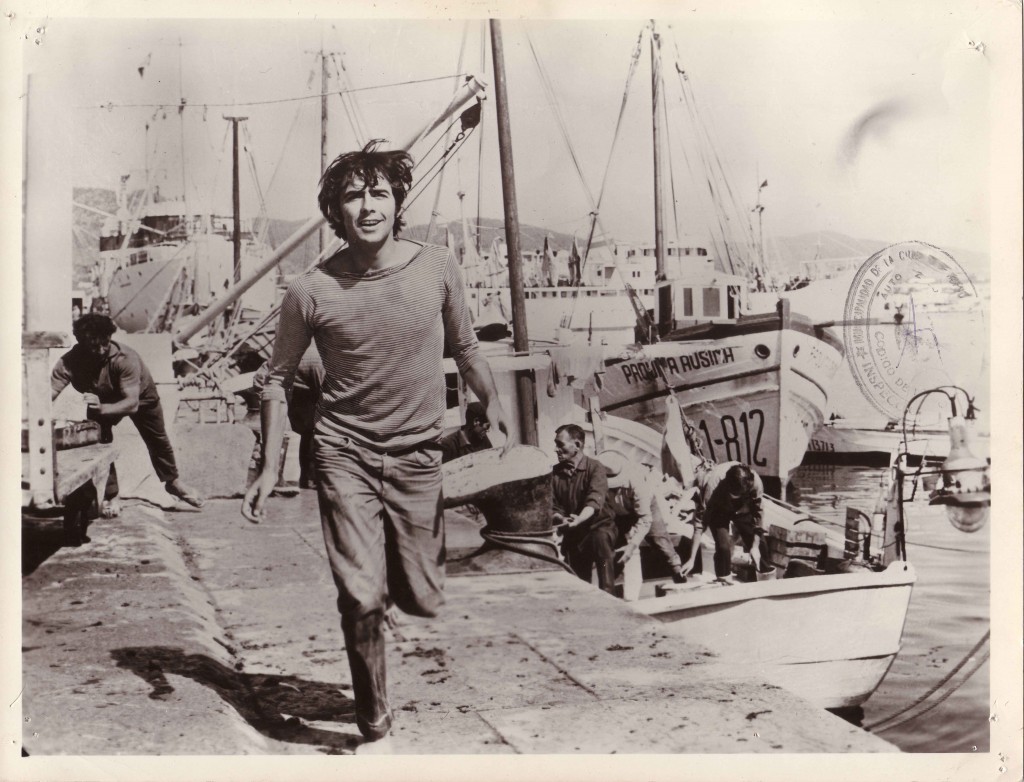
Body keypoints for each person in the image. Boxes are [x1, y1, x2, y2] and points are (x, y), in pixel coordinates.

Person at [241, 139, 511, 747]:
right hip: (344, 453)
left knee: (422, 595)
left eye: (379, 193)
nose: (367, 206)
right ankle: (373, 716)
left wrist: (490, 404)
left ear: (397, 203)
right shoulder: (309, 290)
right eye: (352, 196)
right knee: (361, 596)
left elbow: (467, 348)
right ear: (335, 211)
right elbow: (275, 380)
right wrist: (269, 467)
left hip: (420, 454)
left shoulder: (437, 267)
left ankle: (390, 586)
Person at [50, 313, 204, 517]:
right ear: (80, 342)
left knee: (157, 439)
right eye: (94, 346)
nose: (101, 350)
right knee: (99, 443)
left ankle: (172, 481)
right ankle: (112, 495)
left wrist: (101, 409)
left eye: (105, 343)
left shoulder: (125, 359)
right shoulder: (70, 361)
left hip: (141, 398)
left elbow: (131, 404)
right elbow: (47, 394)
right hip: (101, 399)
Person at [599, 451, 688, 585]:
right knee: (615, 546)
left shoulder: (638, 481)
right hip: (618, 514)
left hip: (646, 508)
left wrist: (633, 544)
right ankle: (615, 586)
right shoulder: (598, 482)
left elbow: (645, 519)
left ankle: (678, 573)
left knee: (659, 540)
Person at [551, 424, 617, 595]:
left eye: (560, 444)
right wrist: (561, 519)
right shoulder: (555, 474)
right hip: (574, 533)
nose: (556, 449)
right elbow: (552, 506)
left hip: (598, 528)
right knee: (579, 587)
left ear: (577, 445)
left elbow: (594, 500)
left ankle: (609, 599)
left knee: (602, 545)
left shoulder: (595, 468)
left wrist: (579, 519)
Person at [683, 461, 771, 584]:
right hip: (720, 509)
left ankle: (766, 580)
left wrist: (754, 546)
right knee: (723, 548)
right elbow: (700, 524)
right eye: (734, 495)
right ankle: (723, 580)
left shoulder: (755, 482)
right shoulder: (712, 487)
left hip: (743, 508)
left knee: (760, 545)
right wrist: (692, 559)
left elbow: (758, 514)